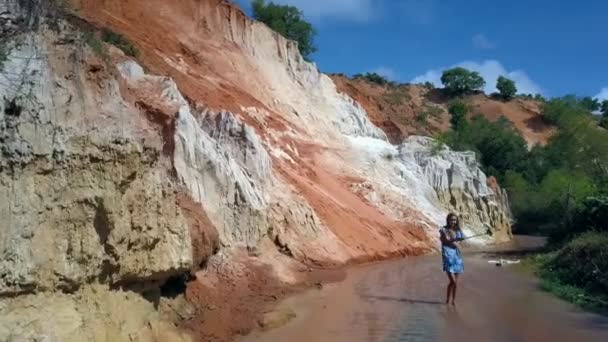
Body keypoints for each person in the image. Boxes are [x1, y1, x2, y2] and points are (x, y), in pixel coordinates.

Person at [439, 213, 465, 305]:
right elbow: (444, 240)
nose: (453, 221)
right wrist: (453, 241)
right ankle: (448, 300)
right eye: (451, 220)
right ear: (448, 220)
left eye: (454, 220)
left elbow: (462, 238)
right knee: (453, 281)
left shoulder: (458, 230)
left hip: (457, 257)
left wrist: (460, 238)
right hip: (447, 256)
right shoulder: (443, 230)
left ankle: (452, 301)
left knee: (454, 282)